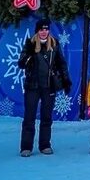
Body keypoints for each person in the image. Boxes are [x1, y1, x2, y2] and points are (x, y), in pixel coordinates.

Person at [17, 19, 72, 157]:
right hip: (32, 86)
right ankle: (26, 147)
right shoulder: (30, 43)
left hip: (49, 86)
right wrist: (28, 55)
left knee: (46, 117)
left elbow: (61, 64)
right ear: (37, 30)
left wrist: (66, 80)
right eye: (41, 29)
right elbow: (21, 64)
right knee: (29, 117)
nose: (44, 32)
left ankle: (45, 145)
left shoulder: (54, 44)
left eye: (46, 29)